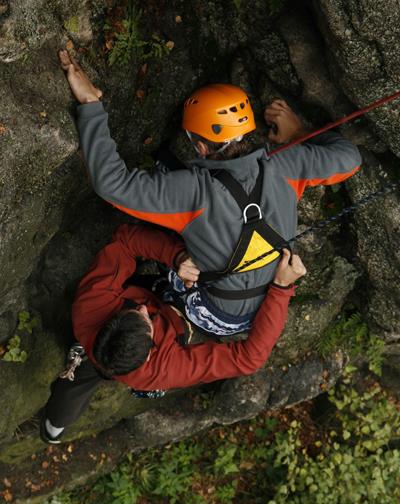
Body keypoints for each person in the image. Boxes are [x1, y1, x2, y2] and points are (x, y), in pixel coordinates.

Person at [58, 49, 361, 336]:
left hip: (215, 312)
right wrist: (298, 133)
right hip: (269, 302)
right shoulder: (287, 164)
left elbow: (111, 183)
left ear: (201, 147)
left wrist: (90, 104)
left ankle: (167, 296)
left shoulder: (192, 191)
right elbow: (350, 159)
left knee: (167, 200)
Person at [40, 223, 306, 444]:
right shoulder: (162, 368)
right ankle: (55, 423)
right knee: (84, 376)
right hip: (153, 324)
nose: (142, 309)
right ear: (149, 353)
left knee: (79, 379)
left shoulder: (91, 304)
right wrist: (281, 288)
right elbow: (249, 358)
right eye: (145, 320)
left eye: (135, 311)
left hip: (118, 320)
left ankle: (55, 423)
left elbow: (124, 240)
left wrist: (176, 257)